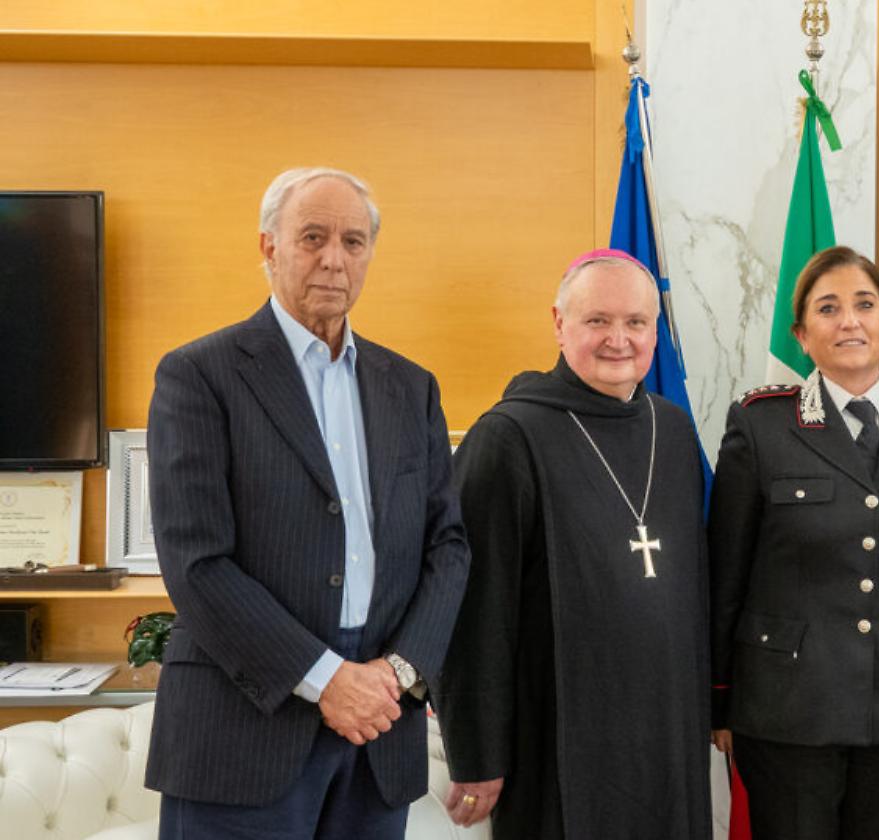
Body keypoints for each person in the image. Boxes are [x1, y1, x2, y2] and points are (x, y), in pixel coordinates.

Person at [144, 167, 470, 838]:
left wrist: (396, 673)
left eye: (353, 241)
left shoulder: (411, 387)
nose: (333, 258)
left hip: (379, 728)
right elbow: (197, 562)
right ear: (268, 247)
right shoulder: (199, 376)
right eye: (312, 237)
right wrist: (327, 681)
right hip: (246, 727)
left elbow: (448, 545)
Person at [432, 250, 711, 839]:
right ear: (559, 325)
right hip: (556, 733)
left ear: (655, 332)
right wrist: (477, 754)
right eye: (597, 321)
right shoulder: (508, 437)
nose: (619, 340)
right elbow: (473, 608)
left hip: (666, 732)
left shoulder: (675, 431)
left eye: (636, 322)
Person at [708, 245, 879, 840]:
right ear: (802, 335)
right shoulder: (760, 423)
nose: (849, 320)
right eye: (828, 309)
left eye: (864, 304)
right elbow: (726, 573)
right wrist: (720, 699)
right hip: (786, 707)